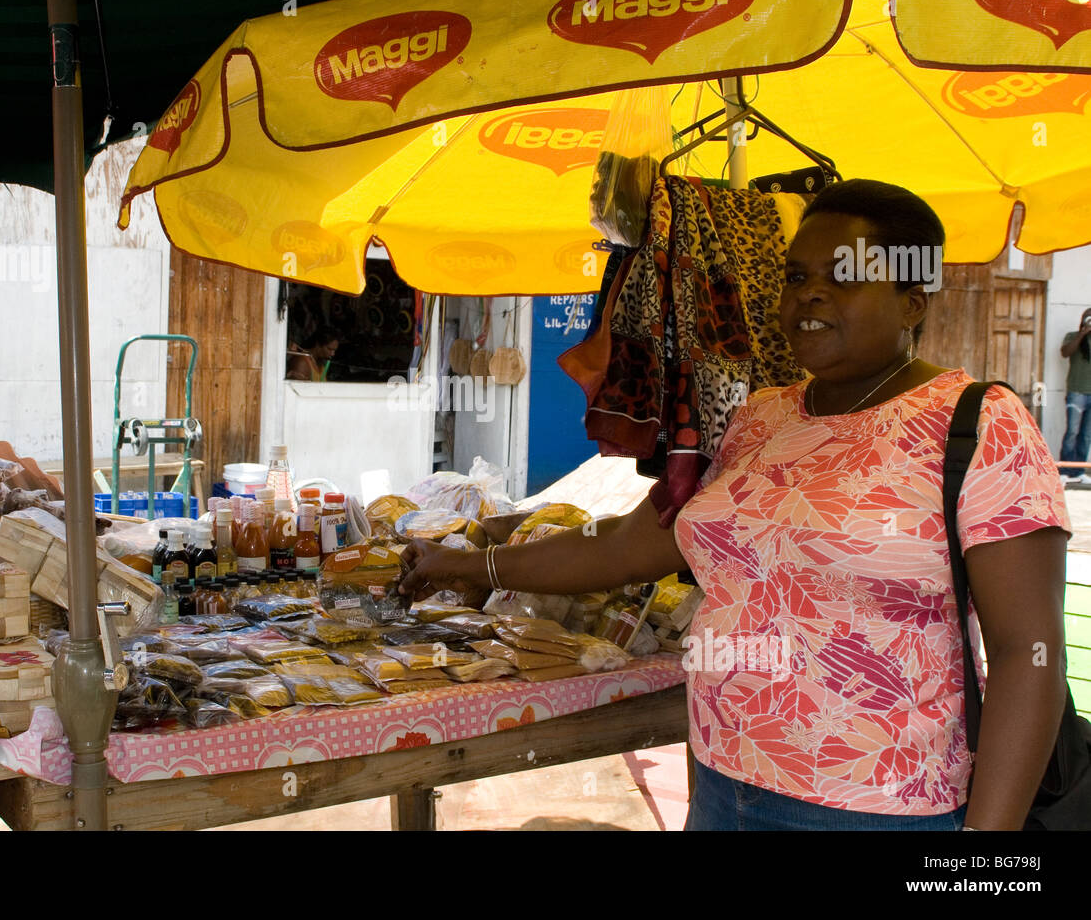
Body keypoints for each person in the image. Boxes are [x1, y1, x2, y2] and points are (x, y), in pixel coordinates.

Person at [400, 180, 1072, 831]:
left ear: (912, 302)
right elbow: (621, 550)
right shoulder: (759, 419)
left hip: (881, 809)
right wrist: (467, 565)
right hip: (722, 786)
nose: (810, 292)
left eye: (844, 275)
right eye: (796, 275)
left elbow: (1029, 652)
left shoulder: (978, 425)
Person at [1058, 308, 1091, 483]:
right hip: (1076, 392)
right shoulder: (1073, 336)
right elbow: (1065, 353)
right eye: (1088, 318)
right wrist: (1082, 335)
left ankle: (1079, 472)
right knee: (1072, 431)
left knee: (1086, 435)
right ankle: (1065, 470)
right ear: (1083, 320)